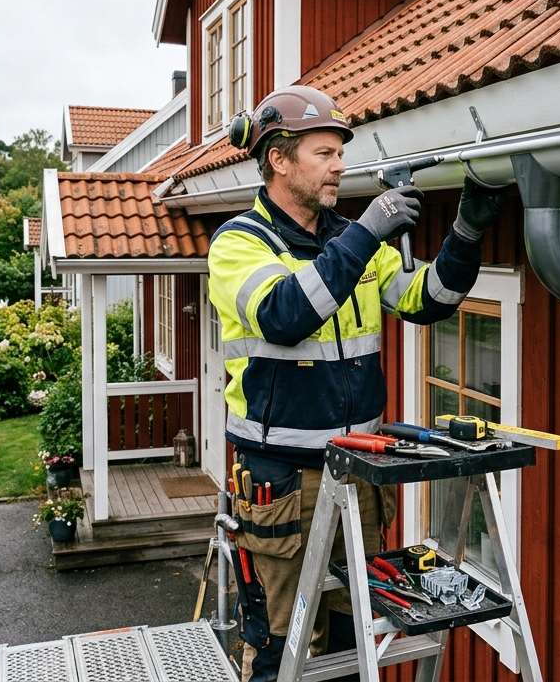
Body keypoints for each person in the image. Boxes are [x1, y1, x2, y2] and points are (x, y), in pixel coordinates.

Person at [207, 85, 507, 681]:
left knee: (353, 643)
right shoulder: (240, 243)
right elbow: (287, 315)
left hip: (358, 475)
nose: (341, 165)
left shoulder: (348, 240)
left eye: (341, 152)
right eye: (325, 153)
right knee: (280, 651)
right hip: (284, 481)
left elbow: (430, 301)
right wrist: (367, 232)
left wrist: (466, 233)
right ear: (279, 159)